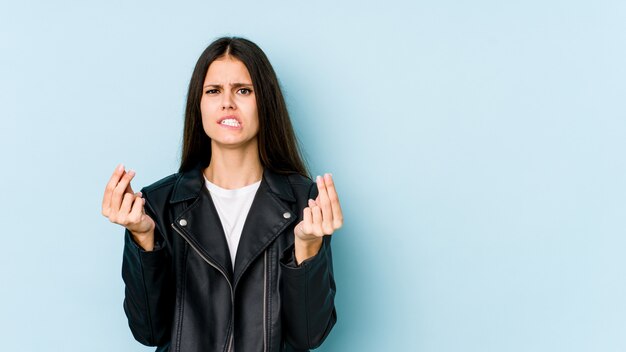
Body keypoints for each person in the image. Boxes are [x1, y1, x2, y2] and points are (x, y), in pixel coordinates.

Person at [100, 37, 342, 352]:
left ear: (264, 102)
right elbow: (150, 332)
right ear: (198, 105)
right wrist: (143, 240)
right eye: (213, 91)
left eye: (243, 90)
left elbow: (309, 335)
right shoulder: (157, 203)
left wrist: (308, 249)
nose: (227, 102)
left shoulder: (305, 201)